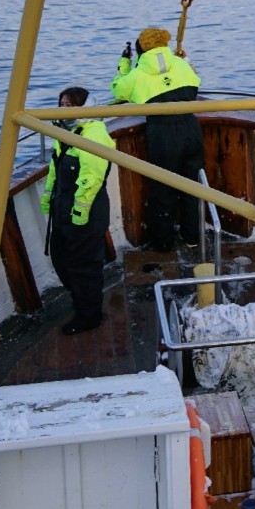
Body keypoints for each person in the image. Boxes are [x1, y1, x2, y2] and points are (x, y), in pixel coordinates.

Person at [112, 26, 204, 252]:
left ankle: (163, 242)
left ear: (140, 51)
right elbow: (196, 81)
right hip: (190, 127)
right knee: (193, 185)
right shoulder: (180, 63)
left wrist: (124, 65)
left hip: (162, 131)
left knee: (162, 187)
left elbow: (118, 90)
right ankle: (192, 237)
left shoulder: (137, 74)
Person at [44, 86, 117, 334]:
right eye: (61, 104)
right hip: (64, 210)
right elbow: (55, 170)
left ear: (83, 107)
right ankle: (82, 302)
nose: (63, 108)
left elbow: (92, 178)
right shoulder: (66, 132)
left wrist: (79, 214)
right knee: (62, 259)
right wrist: (48, 201)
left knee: (83, 267)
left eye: (69, 105)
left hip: (87, 213)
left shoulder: (93, 134)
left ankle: (89, 316)